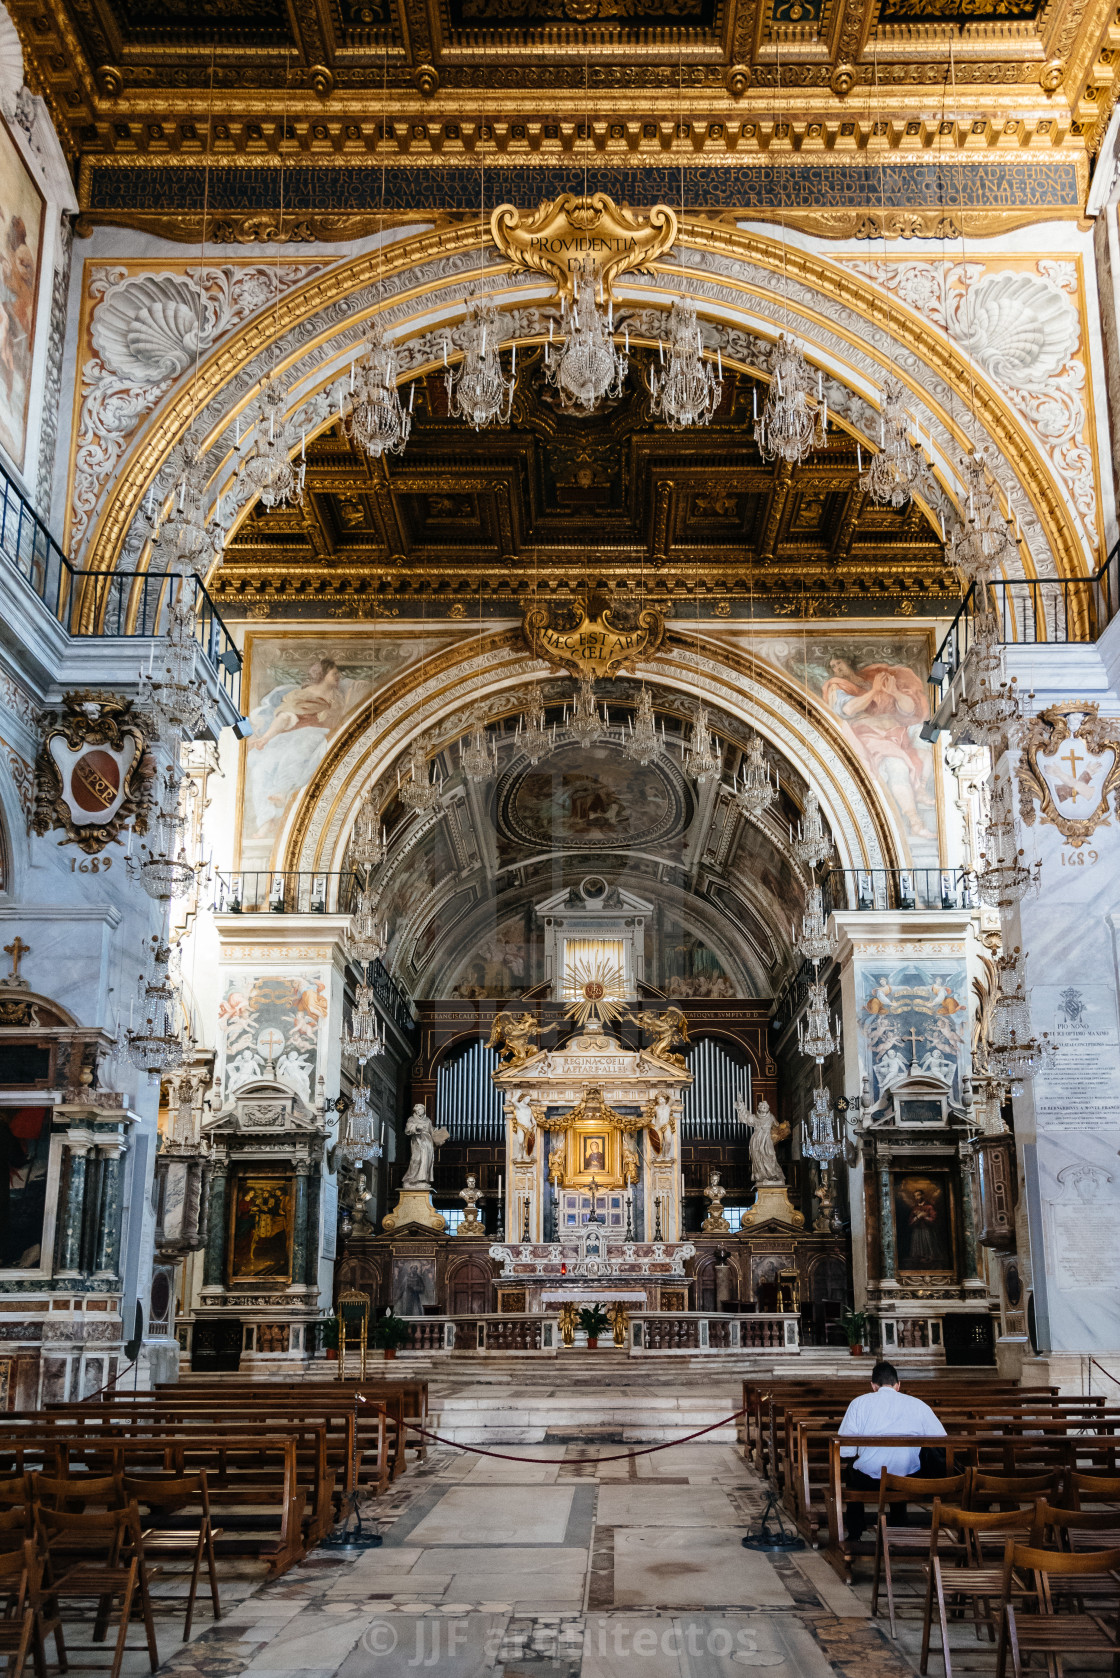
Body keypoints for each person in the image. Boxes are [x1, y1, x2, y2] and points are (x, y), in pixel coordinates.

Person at [839, 1360, 947, 1543]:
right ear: (898, 1385)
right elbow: (942, 1440)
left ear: (873, 1386)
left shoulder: (858, 1404)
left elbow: (845, 1451)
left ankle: (855, 1533)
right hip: (909, 1479)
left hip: (870, 1480)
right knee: (901, 1467)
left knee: (852, 1473)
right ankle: (898, 1524)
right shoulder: (918, 1405)